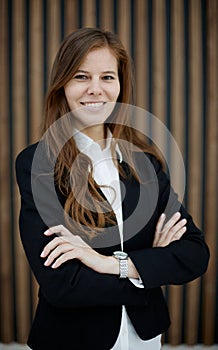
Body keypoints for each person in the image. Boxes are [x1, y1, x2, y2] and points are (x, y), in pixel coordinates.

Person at [15, 27, 209, 350]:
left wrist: (107, 263)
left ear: (120, 85)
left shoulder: (145, 163)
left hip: (146, 339)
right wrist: (150, 267)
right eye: (81, 76)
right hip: (73, 341)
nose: (96, 89)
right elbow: (62, 284)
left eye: (107, 77)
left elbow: (195, 253)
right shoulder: (38, 165)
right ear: (63, 84)